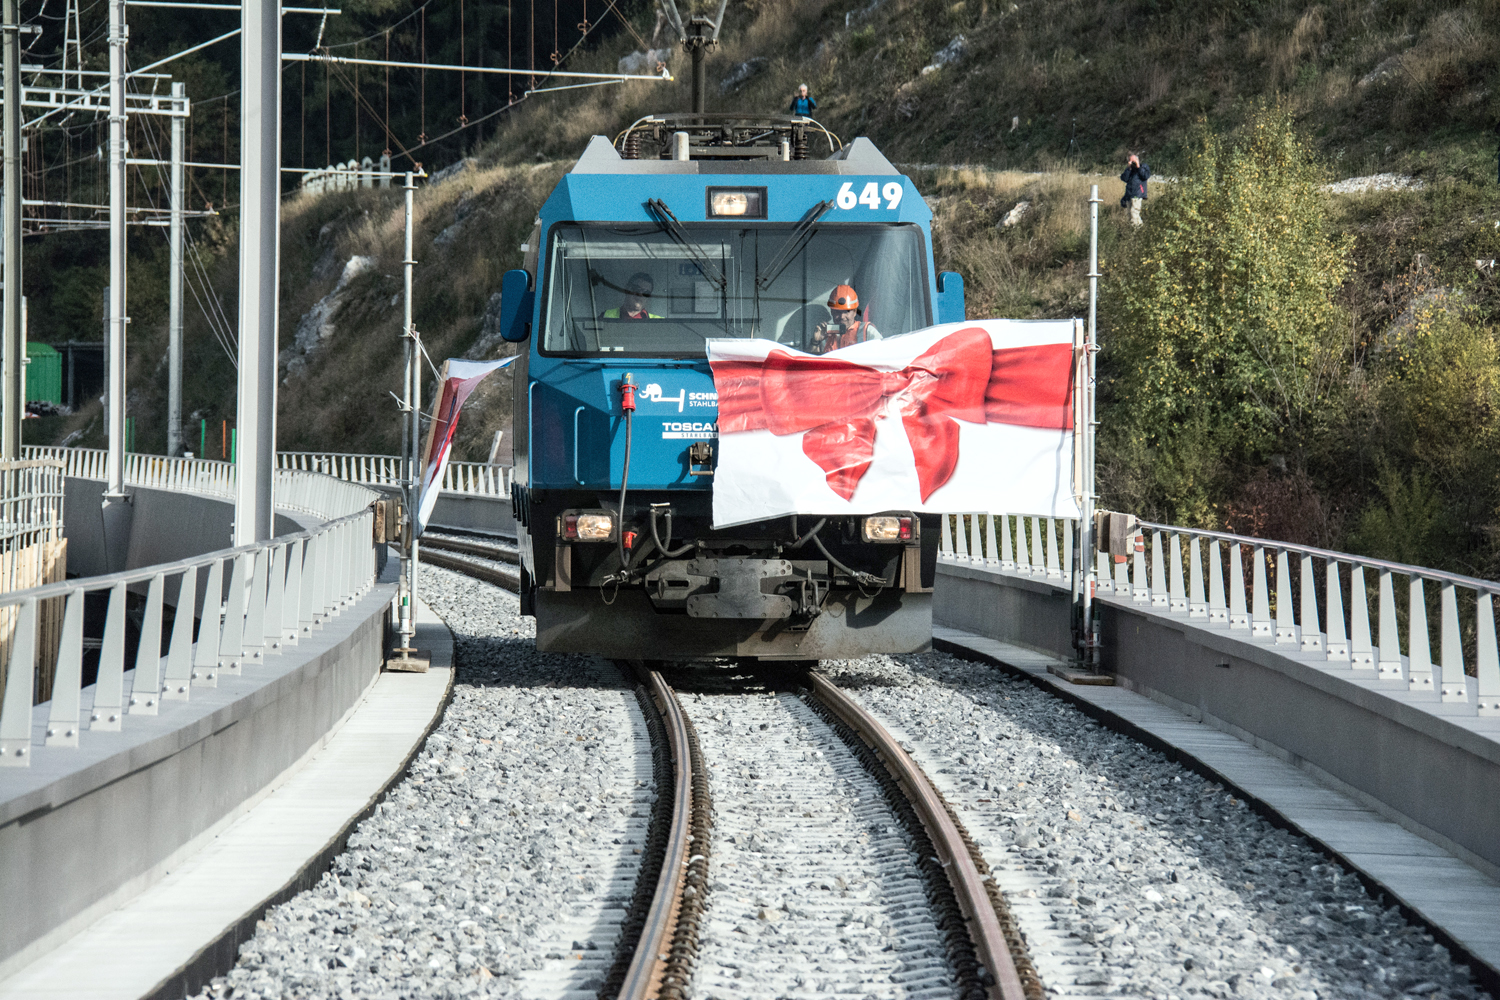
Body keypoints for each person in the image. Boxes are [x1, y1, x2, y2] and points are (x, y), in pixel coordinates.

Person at [810, 285, 880, 353]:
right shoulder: (825, 334)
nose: (842, 316)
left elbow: (884, 356)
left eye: (847, 311)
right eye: (837, 312)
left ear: (855, 312)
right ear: (832, 312)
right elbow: (811, 363)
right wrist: (815, 342)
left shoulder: (867, 331)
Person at [1120, 153, 1151, 227]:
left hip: (1138, 194)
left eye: (1134, 161)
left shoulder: (1143, 167)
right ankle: (1135, 229)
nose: (1133, 163)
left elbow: (1145, 176)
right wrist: (1129, 168)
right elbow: (1124, 178)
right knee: (1129, 215)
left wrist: (1138, 167)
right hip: (1129, 194)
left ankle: (1137, 229)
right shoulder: (1129, 170)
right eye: (1131, 161)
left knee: (1134, 213)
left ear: (1138, 160)